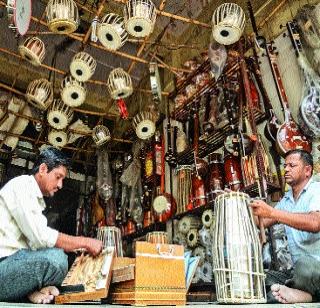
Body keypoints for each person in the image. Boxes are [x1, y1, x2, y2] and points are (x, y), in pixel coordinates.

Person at [0, 147, 103, 304]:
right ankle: (30, 290)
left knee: (57, 256)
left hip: (11, 267)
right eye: (58, 177)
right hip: (3, 269)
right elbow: (40, 236)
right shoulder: (22, 186)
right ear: (43, 169)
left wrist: (74, 246)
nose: (60, 185)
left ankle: (29, 291)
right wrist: (84, 242)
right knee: (56, 259)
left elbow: (34, 244)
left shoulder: (34, 198)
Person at [250, 149, 320, 304]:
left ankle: (307, 296)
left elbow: (315, 223)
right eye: (285, 165)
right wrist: (241, 202)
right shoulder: (287, 199)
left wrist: (272, 212)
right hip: (298, 274)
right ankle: (296, 291)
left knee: (305, 266)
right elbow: (262, 220)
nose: (286, 169)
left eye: (292, 165)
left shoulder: (317, 190)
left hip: (314, 269)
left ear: (307, 170)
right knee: (261, 277)